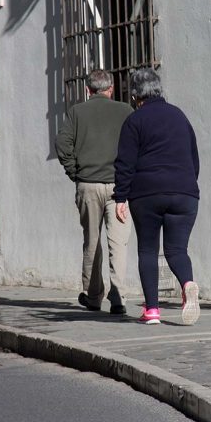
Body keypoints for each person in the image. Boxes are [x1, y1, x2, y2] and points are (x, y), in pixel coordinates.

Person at [113, 68, 200, 326]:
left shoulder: (135, 121)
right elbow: (194, 158)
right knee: (176, 250)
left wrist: (120, 197)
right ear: (159, 89)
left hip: (147, 194)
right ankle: (187, 284)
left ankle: (152, 310)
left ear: (136, 95)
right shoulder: (179, 116)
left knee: (148, 250)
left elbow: (125, 163)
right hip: (184, 192)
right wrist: (186, 184)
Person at [55, 69, 133, 315]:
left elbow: (62, 144)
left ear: (88, 90)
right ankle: (118, 295)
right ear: (111, 89)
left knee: (92, 240)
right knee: (118, 242)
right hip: (119, 186)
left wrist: (74, 172)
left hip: (87, 184)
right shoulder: (126, 111)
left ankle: (93, 295)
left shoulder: (77, 112)